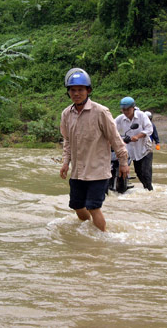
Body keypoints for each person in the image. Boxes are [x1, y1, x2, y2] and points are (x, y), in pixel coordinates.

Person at [59, 68, 129, 232]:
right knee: (76, 205)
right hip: (77, 171)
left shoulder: (100, 112)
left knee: (93, 206)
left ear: (88, 91)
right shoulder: (66, 114)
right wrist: (65, 163)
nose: (77, 93)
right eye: (73, 90)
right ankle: (89, 231)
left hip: (98, 170)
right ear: (68, 92)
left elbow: (115, 139)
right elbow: (67, 141)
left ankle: (102, 237)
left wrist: (124, 162)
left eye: (81, 90)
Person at [115, 97, 154, 191]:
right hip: (130, 150)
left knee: (145, 173)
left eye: (128, 109)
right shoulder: (120, 118)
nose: (126, 112)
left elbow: (149, 129)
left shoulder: (141, 115)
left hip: (144, 149)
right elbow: (111, 127)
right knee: (138, 172)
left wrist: (138, 136)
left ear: (133, 107)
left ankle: (150, 191)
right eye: (123, 110)